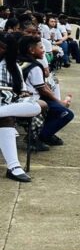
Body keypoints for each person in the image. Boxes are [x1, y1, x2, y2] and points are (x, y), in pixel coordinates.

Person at [0, 34, 42, 181]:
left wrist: (24, 93)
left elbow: (22, 90)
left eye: (2, 47)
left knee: (39, 106)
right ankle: (14, 167)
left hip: (8, 103)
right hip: (7, 110)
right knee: (6, 119)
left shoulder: (13, 66)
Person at [20, 35, 74, 149]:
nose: (44, 50)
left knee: (56, 108)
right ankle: (38, 137)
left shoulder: (21, 61)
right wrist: (59, 102)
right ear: (31, 50)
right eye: (41, 47)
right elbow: (43, 89)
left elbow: (43, 86)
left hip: (28, 98)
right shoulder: (34, 66)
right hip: (33, 100)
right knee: (66, 114)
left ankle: (46, 134)